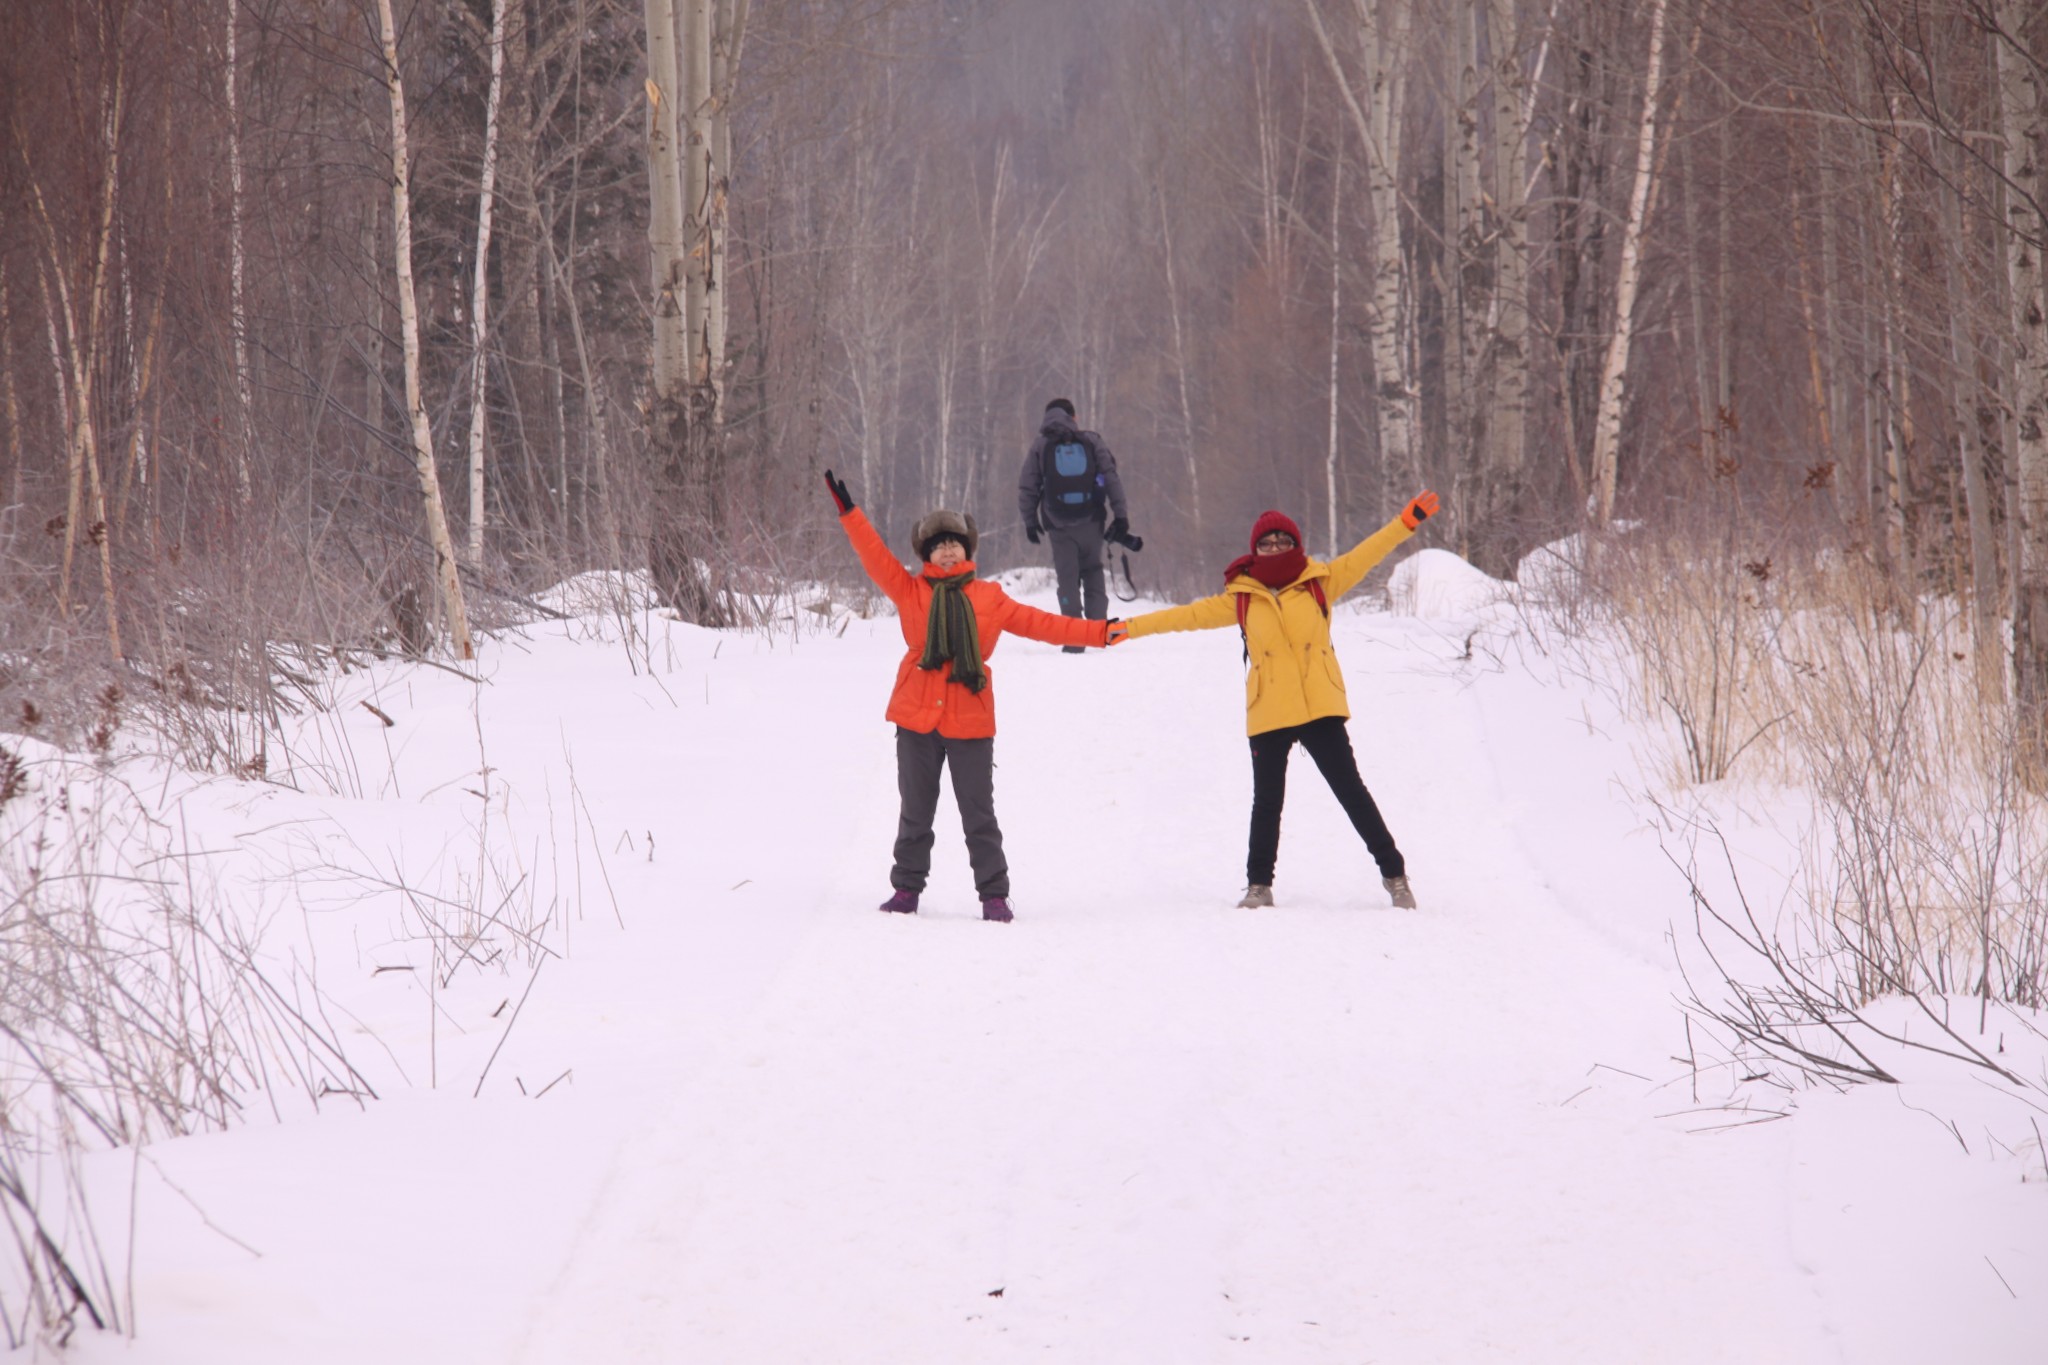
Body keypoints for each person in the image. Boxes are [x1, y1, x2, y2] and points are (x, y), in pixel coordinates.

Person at [824, 469, 1129, 922]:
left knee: (979, 815)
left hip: (970, 719)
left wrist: (1099, 632)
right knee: (915, 811)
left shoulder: (989, 597)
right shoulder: (910, 591)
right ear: (927, 553)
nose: (947, 549)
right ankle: (905, 889)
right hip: (916, 718)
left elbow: (1045, 624)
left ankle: (994, 895)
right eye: (938, 544)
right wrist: (849, 513)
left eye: (954, 542)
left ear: (968, 549)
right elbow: (873, 556)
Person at [1120, 492, 1440, 910]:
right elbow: (1183, 617)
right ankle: (1259, 887)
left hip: (1318, 706)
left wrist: (1406, 522)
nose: (1275, 549)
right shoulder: (1242, 597)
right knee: (1267, 801)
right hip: (1269, 708)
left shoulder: (1320, 582)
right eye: (1266, 543)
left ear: (1297, 545)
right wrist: (1127, 627)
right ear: (1254, 550)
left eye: (1283, 541)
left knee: (1350, 791)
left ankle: (1394, 875)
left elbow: (1368, 554)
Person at [1017, 398, 1139, 652]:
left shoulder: (1041, 445)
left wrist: (1030, 521)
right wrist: (1121, 515)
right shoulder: (1092, 441)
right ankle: (1098, 634)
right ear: (1074, 417)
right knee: (1093, 571)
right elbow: (1111, 478)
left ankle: (1074, 638)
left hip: (1058, 525)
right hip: (1092, 520)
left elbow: (1028, 485)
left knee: (1068, 579)